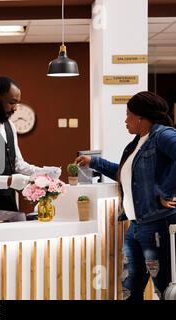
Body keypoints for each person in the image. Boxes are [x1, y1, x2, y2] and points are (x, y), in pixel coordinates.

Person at [75, 91, 176, 300]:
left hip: (157, 224)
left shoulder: (162, 135)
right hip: (135, 226)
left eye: (129, 114)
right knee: (129, 289)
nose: (125, 120)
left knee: (164, 288)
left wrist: (165, 191)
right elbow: (124, 174)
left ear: (141, 117)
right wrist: (93, 162)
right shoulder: (136, 143)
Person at [0, 76, 61, 216]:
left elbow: (18, 165)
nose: (15, 109)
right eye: (11, 103)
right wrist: (8, 181)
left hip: (10, 205)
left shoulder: (10, 126)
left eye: (17, 103)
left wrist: (44, 172)